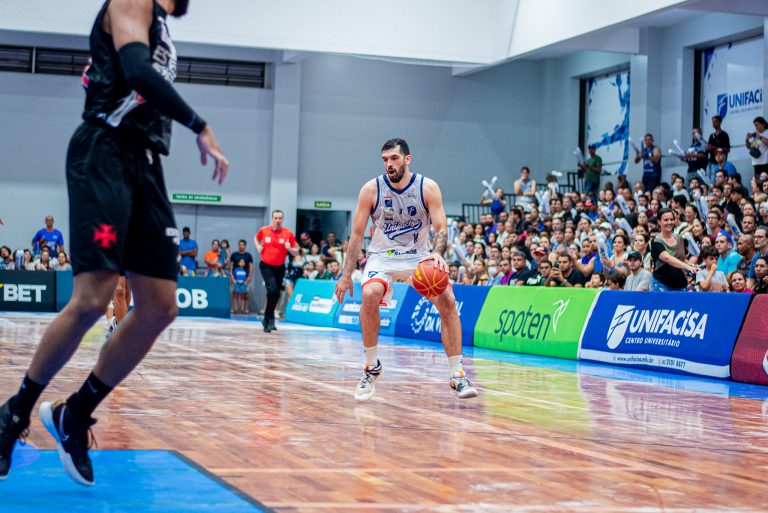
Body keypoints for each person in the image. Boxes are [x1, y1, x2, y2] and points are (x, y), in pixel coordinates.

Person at [0, 0, 228, 486]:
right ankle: (14, 413)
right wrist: (200, 125)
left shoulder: (163, 22)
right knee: (93, 297)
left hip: (145, 164)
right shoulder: (132, 0)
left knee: (160, 307)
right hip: (104, 150)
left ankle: (75, 414)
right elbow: (137, 71)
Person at [335, 138, 478, 401]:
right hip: (382, 257)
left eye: (394, 158)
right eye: (385, 160)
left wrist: (437, 252)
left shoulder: (427, 187)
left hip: (418, 256)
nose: (389, 164)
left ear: (407, 159)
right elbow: (356, 235)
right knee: (369, 295)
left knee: (448, 300)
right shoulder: (371, 190)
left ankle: (458, 374)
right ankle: (371, 367)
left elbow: (441, 228)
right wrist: (345, 276)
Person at [255, 210, 299, 332]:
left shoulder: (288, 233)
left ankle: (270, 318)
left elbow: (296, 251)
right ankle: (267, 319)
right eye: (275, 218)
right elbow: (256, 238)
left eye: (280, 218)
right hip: (266, 266)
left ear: (282, 219)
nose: (278, 220)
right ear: (272, 218)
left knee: (276, 293)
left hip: (280, 267)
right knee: (272, 290)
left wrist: (290, 249)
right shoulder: (264, 230)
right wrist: (258, 246)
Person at [650, 209, 697, 291]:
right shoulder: (656, 241)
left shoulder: (680, 239)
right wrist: (687, 267)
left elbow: (681, 259)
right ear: (659, 222)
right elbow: (667, 258)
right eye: (666, 220)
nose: (669, 222)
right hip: (661, 283)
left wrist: (692, 266)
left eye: (671, 219)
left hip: (680, 284)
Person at [229, 240, 254, 314]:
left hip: (245, 278)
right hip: (235, 277)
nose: (241, 246)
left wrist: (249, 276)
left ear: (245, 246)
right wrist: (231, 276)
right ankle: (235, 309)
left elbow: (251, 266)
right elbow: (231, 265)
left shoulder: (248, 255)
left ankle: (244, 309)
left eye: (243, 244)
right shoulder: (234, 255)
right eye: (240, 244)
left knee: (245, 294)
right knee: (235, 293)